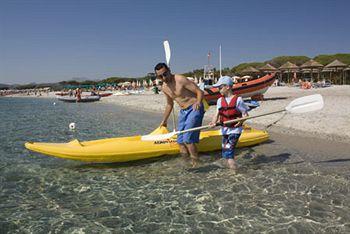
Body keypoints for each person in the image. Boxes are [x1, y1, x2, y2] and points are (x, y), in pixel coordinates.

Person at [154, 63, 206, 167]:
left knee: (188, 139)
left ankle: (197, 162)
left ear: (169, 70)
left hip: (194, 108)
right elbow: (169, 104)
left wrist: (198, 102)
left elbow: (199, 91)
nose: (163, 77)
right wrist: (164, 120)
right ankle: (185, 162)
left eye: (165, 74)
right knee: (180, 141)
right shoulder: (164, 87)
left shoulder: (180, 79)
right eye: (160, 76)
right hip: (183, 112)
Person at [209, 76, 249, 170]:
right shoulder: (219, 100)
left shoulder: (238, 100)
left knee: (229, 153)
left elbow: (246, 114)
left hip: (235, 130)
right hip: (225, 130)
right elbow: (217, 114)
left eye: (220, 87)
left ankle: (234, 173)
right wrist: (213, 122)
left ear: (227, 87)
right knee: (225, 153)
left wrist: (241, 121)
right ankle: (232, 169)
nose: (218, 90)